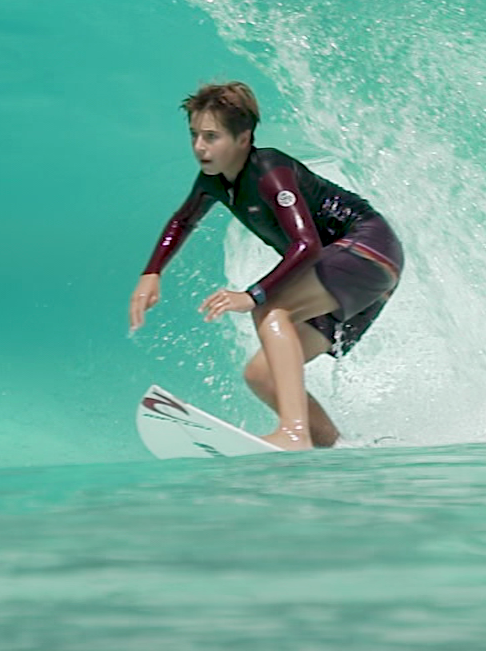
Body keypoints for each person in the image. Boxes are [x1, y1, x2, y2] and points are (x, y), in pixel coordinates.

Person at [128, 81, 404, 451]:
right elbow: (183, 220)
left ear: (243, 139)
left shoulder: (270, 171)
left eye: (212, 136)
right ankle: (335, 447)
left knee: (271, 309)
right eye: (194, 134)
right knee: (261, 375)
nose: (199, 146)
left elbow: (306, 245)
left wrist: (253, 295)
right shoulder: (213, 181)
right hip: (358, 272)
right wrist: (152, 272)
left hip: (368, 248)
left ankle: (294, 434)